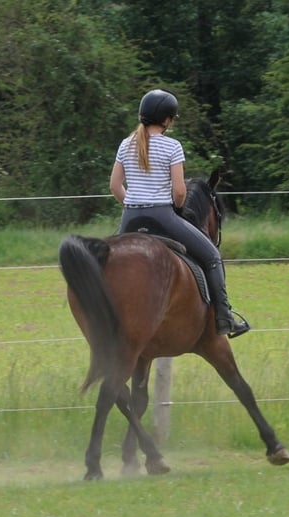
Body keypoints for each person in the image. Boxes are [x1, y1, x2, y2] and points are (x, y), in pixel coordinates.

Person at [109, 88, 250, 338]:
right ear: (166, 119)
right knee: (212, 256)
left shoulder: (125, 144)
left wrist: (130, 203)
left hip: (129, 217)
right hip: (162, 216)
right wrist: (175, 207)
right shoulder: (172, 146)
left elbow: (114, 186)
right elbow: (180, 190)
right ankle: (225, 318)